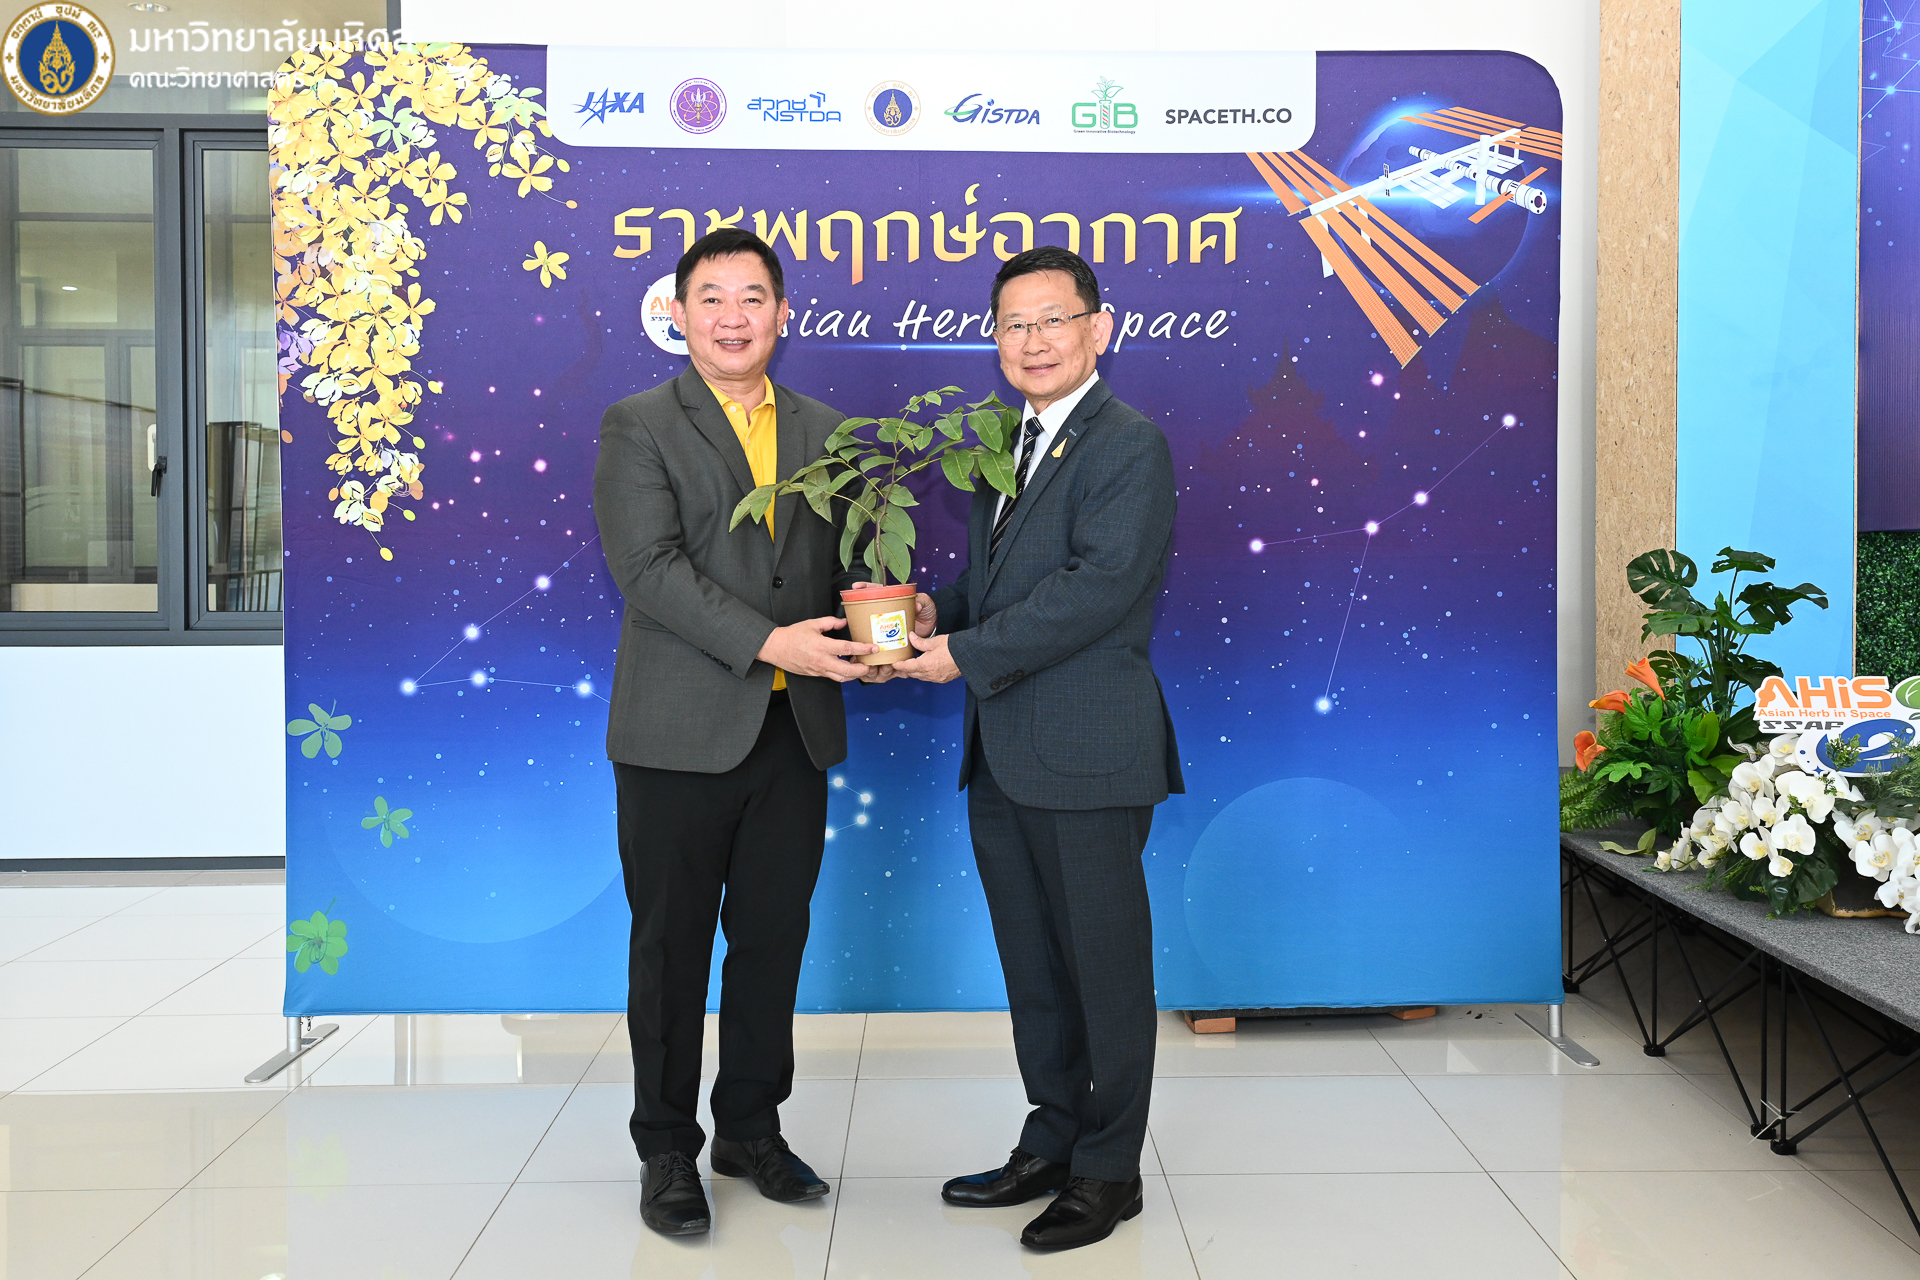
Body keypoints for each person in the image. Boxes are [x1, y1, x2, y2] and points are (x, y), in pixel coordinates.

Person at [890, 245, 1183, 1250]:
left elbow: (1097, 587)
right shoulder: (1006, 442)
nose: (1033, 340)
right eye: (1014, 323)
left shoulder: (1128, 444)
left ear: (1100, 328)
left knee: (1104, 969)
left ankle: (1109, 1170)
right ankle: (1052, 1139)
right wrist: (938, 609)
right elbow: (1004, 581)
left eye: (1054, 319)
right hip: (1004, 753)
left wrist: (963, 654)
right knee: (1036, 968)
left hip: (1089, 751)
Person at [592, 227, 878, 1237]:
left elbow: (848, 564)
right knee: (670, 947)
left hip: (793, 732)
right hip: (676, 734)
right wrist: (770, 642)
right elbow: (648, 567)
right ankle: (666, 1146)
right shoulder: (638, 424)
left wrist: (890, 615)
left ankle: (750, 1127)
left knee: (771, 940)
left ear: (782, 314)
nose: (732, 316)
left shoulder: (829, 430)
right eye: (710, 297)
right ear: (677, 313)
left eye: (752, 297)